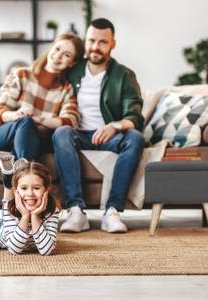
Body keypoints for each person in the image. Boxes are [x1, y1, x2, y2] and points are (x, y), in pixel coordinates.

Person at [52, 18, 145, 233]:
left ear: (113, 44)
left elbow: (135, 116)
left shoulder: (125, 75)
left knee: (135, 138)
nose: (95, 47)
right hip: (77, 133)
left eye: (102, 42)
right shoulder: (72, 70)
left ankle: (112, 212)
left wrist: (115, 125)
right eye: (91, 40)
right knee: (61, 132)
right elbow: (45, 74)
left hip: (109, 136)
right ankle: (76, 211)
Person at [0, 34, 84, 165]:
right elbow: (1, 111)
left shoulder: (66, 89)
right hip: (4, 133)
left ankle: (17, 179)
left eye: (66, 55)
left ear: (72, 63)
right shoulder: (22, 74)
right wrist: (17, 116)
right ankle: (27, 179)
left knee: (28, 128)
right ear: (51, 48)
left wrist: (37, 120)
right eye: (57, 49)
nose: (58, 56)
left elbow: (70, 121)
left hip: (36, 139)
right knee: (25, 123)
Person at [0, 154, 61, 255]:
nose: (30, 194)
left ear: (46, 190)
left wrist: (34, 215)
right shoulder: (10, 207)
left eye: (36, 188)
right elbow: (14, 250)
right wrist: (25, 216)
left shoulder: (52, 209)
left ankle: (13, 177)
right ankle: (8, 181)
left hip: (26, 229)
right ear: (16, 191)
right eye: (24, 188)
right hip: (3, 231)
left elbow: (46, 251)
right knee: (7, 204)